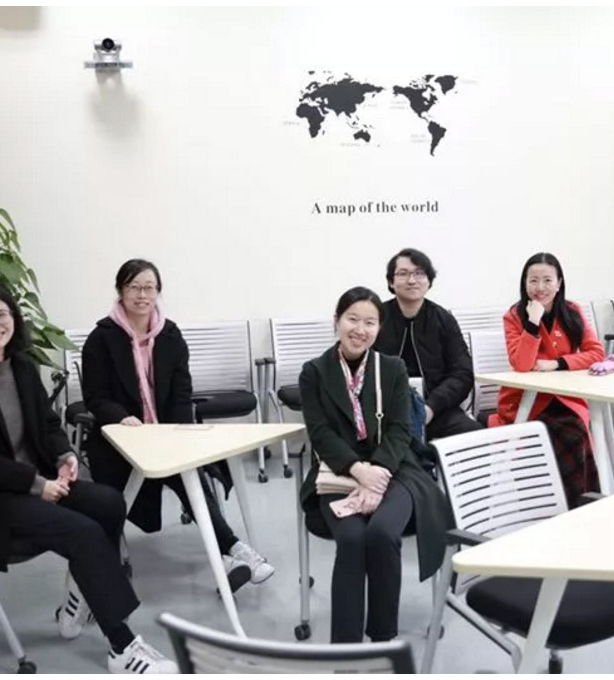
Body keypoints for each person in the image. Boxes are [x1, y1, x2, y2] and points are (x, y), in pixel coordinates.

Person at [0, 281, 176, 673]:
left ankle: (79, 598)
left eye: (0, 314)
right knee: (82, 532)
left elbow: (49, 424)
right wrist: (36, 484)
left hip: (23, 486)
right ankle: (122, 647)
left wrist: (64, 455)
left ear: (14, 319)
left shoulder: (22, 368)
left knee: (108, 502)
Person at [81, 259, 274, 589]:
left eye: (149, 288)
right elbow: (96, 397)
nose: (142, 295)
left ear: (158, 292)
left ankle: (234, 551)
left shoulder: (170, 335)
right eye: (134, 287)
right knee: (124, 494)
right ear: (120, 291)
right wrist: (121, 417)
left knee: (190, 476)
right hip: (121, 439)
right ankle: (228, 553)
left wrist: (182, 433)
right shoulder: (101, 338)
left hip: (167, 435)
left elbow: (182, 392)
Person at [298, 286, 450, 643]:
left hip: (396, 469)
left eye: (370, 322)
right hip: (337, 472)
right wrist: (358, 470)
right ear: (337, 321)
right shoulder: (314, 372)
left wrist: (377, 472)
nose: (360, 329)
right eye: (352, 319)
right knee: (352, 539)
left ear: (379, 328)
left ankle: (382, 639)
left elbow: (399, 430)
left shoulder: (392, 368)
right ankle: (346, 649)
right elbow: (320, 434)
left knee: (382, 534)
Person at [490, 252, 605, 507]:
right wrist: (533, 321)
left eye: (547, 280)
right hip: (525, 401)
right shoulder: (513, 316)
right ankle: (562, 504)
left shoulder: (572, 312)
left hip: (566, 398)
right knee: (562, 436)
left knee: (577, 432)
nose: (540, 287)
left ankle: (582, 504)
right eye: (533, 280)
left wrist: (558, 363)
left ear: (559, 283)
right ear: (524, 283)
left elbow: (596, 352)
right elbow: (521, 364)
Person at [374, 248, 482, 439]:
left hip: (435, 410)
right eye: (403, 273)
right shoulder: (375, 318)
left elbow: (462, 373)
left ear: (429, 281)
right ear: (391, 281)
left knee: (475, 437)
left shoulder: (443, 319)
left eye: (419, 273)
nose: (412, 280)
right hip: (383, 411)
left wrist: (431, 407)